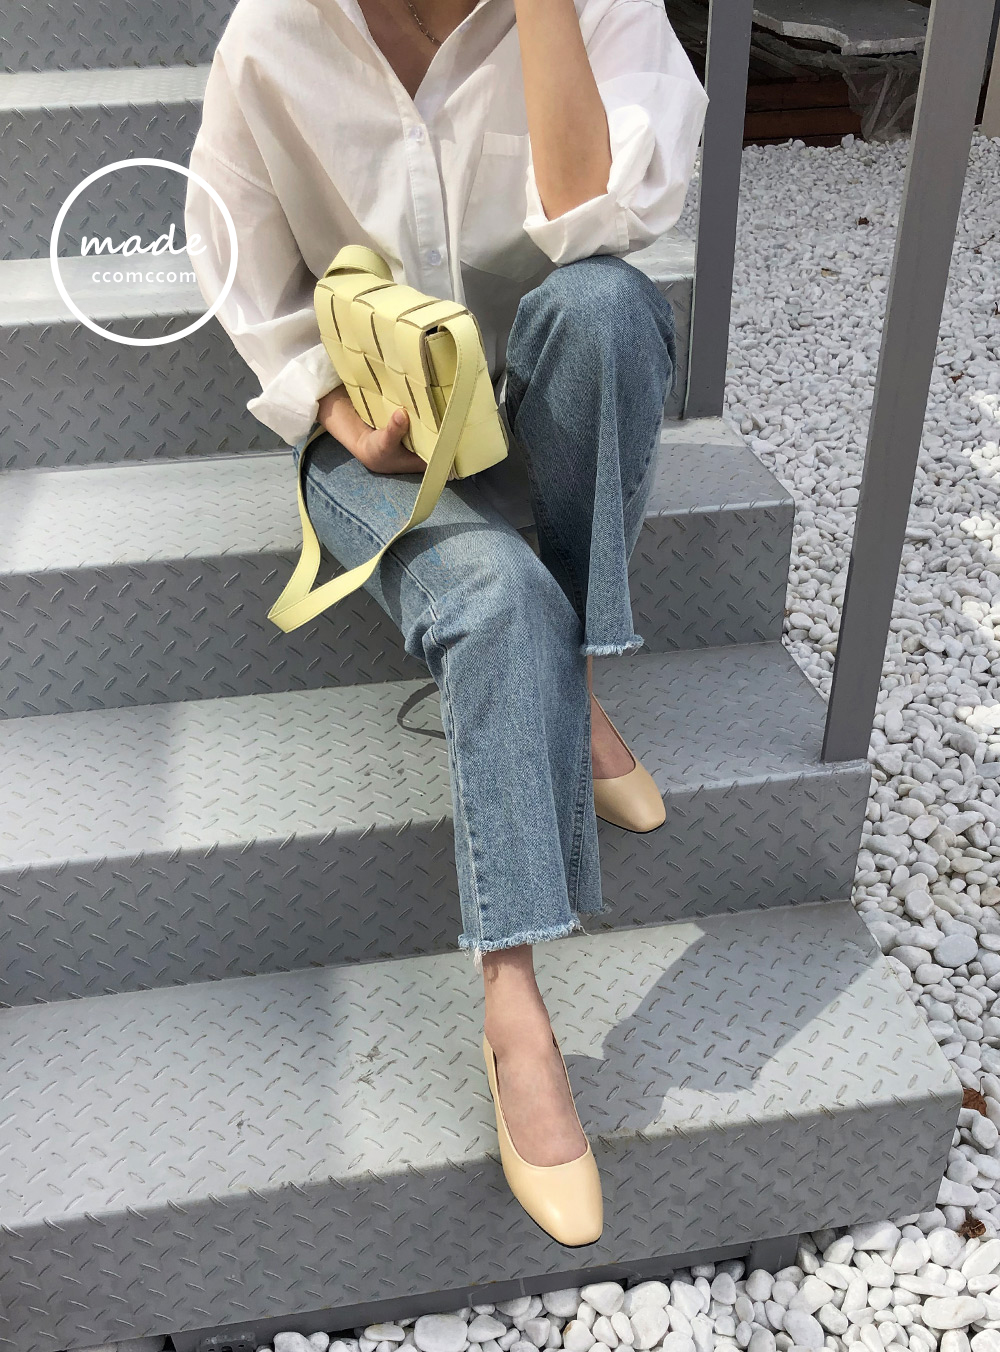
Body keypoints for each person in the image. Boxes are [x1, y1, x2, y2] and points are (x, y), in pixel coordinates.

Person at [183, 0, 707, 1247]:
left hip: (532, 402)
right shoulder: (273, 36)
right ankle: (514, 1011)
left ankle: (574, 683)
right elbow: (235, 256)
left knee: (603, 306)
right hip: (376, 440)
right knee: (496, 594)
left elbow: (599, 221)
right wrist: (328, 404)